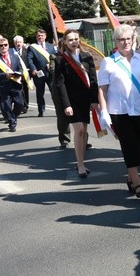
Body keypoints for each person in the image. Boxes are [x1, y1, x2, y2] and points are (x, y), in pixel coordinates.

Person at [97, 24, 140, 199]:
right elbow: (102, 90)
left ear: (133, 40)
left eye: (128, 39)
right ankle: (137, 183)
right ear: (116, 42)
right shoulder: (108, 62)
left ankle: (130, 177)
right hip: (119, 112)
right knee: (128, 147)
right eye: (121, 40)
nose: (125, 43)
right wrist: (104, 111)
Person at [52, 30, 99, 179]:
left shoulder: (87, 57)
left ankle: (82, 161)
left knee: (84, 132)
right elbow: (60, 84)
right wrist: (66, 105)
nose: (73, 42)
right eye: (70, 39)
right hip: (71, 101)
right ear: (65, 41)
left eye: (76, 39)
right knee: (78, 130)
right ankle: (80, 165)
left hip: (85, 99)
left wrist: (94, 100)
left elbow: (93, 80)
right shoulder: (60, 59)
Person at [0, 37, 26, 133]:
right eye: (1, 45)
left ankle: (12, 116)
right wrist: (5, 75)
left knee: (20, 104)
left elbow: (20, 68)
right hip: (3, 86)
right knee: (6, 106)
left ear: (8, 45)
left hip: (16, 84)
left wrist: (19, 74)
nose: (3, 47)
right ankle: (12, 122)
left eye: (5, 45)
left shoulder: (15, 56)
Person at [28, 29, 56, 117]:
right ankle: (41, 110)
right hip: (38, 73)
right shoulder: (32, 47)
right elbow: (29, 59)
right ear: (36, 37)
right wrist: (33, 69)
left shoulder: (51, 46)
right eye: (38, 36)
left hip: (50, 73)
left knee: (54, 92)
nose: (40, 37)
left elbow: (55, 57)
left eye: (42, 35)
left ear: (45, 36)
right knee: (40, 93)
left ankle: (58, 109)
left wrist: (52, 64)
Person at [13, 35, 31, 115]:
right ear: (14, 43)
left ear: (23, 42)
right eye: (17, 42)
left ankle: (25, 105)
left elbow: (29, 61)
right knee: (19, 90)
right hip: (16, 74)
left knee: (25, 90)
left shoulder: (26, 51)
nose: (19, 44)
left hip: (26, 73)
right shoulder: (12, 51)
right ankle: (21, 104)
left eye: (20, 42)